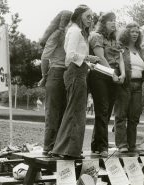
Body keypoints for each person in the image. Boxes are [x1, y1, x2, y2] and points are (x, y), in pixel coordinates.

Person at [52, 5, 101, 159]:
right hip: (75, 73)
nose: (90, 19)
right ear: (79, 16)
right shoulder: (74, 31)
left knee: (77, 112)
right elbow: (70, 55)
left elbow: (77, 55)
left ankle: (70, 149)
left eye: (92, 17)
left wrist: (89, 63)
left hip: (80, 72)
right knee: (75, 112)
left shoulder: (79, 32)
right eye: (88, 16)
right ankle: (66, 150)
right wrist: (88, 58)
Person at [88, 12, 125, 157]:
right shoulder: (96, 36)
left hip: (114, 76)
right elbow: (101, 58)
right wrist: (113, 74)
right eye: (110, 20)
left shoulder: (115, 39)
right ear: (103, 23)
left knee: (107, 112)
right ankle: (103, 146)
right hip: (100, 75)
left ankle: (96, 144)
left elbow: (120, 57)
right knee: (102, 111)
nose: (113, 23)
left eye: (115, 20)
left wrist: (122, 74)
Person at [38, 10, 72, 156]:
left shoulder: (71, 35)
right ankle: (49, 146)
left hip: (66, 74)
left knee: (63, 113)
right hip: (56, 73)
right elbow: (45, 58)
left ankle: (57, 146)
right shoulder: (58, 35)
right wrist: (44, 76)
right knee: (53, 113)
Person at [114, 22, 144, 153]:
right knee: (121, 115)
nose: (135, 34)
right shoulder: (121, 48)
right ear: (127, 33)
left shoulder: (140, 50)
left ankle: (131, 144)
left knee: (134, 116)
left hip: (138, 85)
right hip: (125, 84)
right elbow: (117, 65)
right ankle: (122, 144)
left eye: (137, 32)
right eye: (132, 31)